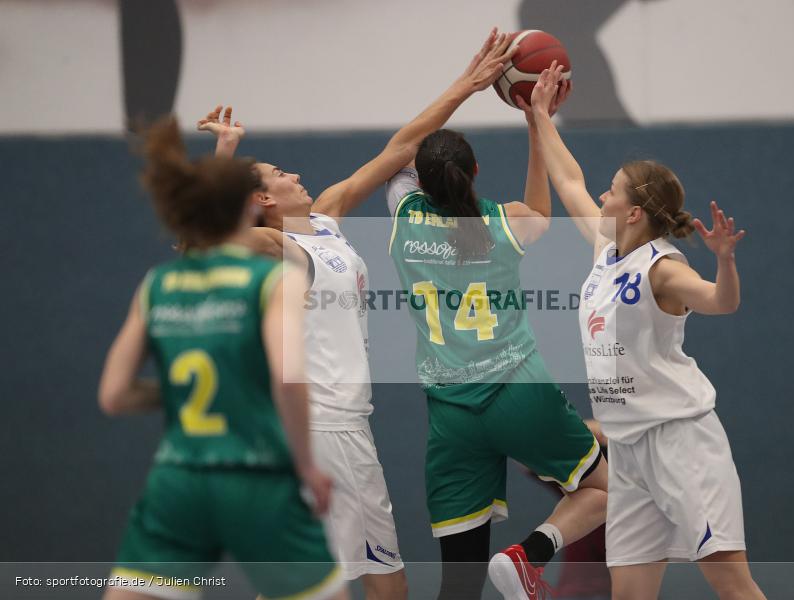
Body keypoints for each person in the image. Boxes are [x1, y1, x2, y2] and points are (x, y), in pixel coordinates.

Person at [195, 29, 517, 600]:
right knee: (326, 582)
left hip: (349, 426)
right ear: (263, 200)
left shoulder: (323, 220)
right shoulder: (277, 248)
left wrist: (468, 84)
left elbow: (402, 148)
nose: (295, 175)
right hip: (319, 427)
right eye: (280, 174)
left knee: (384, 581)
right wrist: (224, 157)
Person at [528, 63, 766, 600]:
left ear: (634, 212)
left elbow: (720, 302)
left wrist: (725, 261)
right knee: (630, 593)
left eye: (611, 191)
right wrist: (540, 114)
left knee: (732, 585)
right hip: (628, 449)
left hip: (680, 440)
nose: (601, 196)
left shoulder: (662, 268)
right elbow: (568, 180)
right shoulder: (605, 250)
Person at [97, 117, 345, 600]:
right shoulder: (272, 279)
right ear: (251, 206)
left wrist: (173, 391)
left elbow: (115, 395)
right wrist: (307, 465)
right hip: (256, 477)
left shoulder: (157, 285)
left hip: (178, 479)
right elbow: (288, 378)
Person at [385, 77, 608, 600]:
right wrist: (534, 120)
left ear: (422, 182)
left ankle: (509, 565)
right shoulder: (504, 223)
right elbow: (542, 212)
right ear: (476, 173)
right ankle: (528, 555)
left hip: (451, 418)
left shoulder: (404, 215)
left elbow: (400, 147)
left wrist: (468, 82)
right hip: (519, 392)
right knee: (607, 490)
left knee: (459, 585)